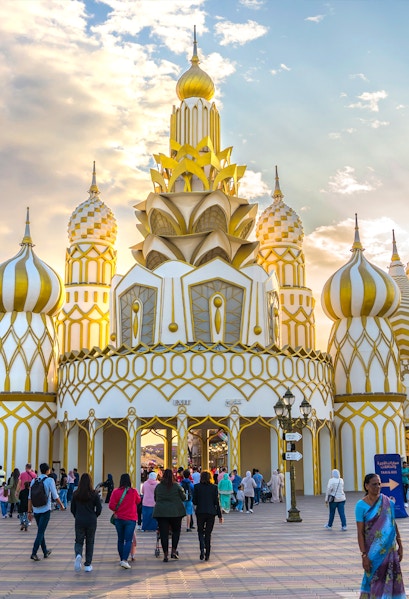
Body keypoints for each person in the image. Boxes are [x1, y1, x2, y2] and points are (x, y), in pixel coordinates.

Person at [356, 472, 405, 599]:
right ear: (366, 486)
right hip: (372, 552)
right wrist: (364, 555)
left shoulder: (387, 502)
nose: (377, 487)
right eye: (374, 484)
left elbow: (393, 524)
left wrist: (400, 545)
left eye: (379, 484)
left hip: (390, 550)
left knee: (391, 579)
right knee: (373, 580)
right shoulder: (360, 506)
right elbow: (360, 533)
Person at [28, 462, 66, 561]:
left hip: (36, 510)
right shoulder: (50, 480)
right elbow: (55, 495)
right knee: (40, 531)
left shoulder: (33, 481)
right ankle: (34, 553)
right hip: (45, 510)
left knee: (41, 530)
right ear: (48, 470)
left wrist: (29, 512)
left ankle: (45, 551)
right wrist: (61, 505)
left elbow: (29, 498)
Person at [71, 472, 102, 572]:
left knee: (78, 541)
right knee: (90, 541)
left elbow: (72, 509)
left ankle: (78, 554)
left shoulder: (76, 494)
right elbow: (99, 509)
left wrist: (77, 516)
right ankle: (88, 564)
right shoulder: (94, 494)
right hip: (91, 521)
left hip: (79, 520)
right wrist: (94, 515)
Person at [153, 468, 186, 562]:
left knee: (163, 533)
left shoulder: (159, 487)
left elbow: (155, 498)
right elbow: (183, 497)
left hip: (161, 512)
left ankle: (165, 554)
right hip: (176, 512)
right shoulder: (176, 486)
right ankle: (174, 551)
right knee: (176, 531)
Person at [109, 473, 141, 569]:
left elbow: (111, 505)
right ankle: (124, 560)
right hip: (130, 519)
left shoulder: (115, 492)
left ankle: (121, 559)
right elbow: (138, 501)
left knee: (120, 539)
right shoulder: (133, 491)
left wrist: (116, 510)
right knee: (128, 540)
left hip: (119, 518)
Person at [192, 470, 223, 561]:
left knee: (200, 531)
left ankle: (202, 549)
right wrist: (220, 516)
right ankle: (207, 553)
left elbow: (194, 501)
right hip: (211, 513)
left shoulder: (197, 487)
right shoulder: (214, 487)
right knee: (208, 533)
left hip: (200, 512)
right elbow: (216, 502)